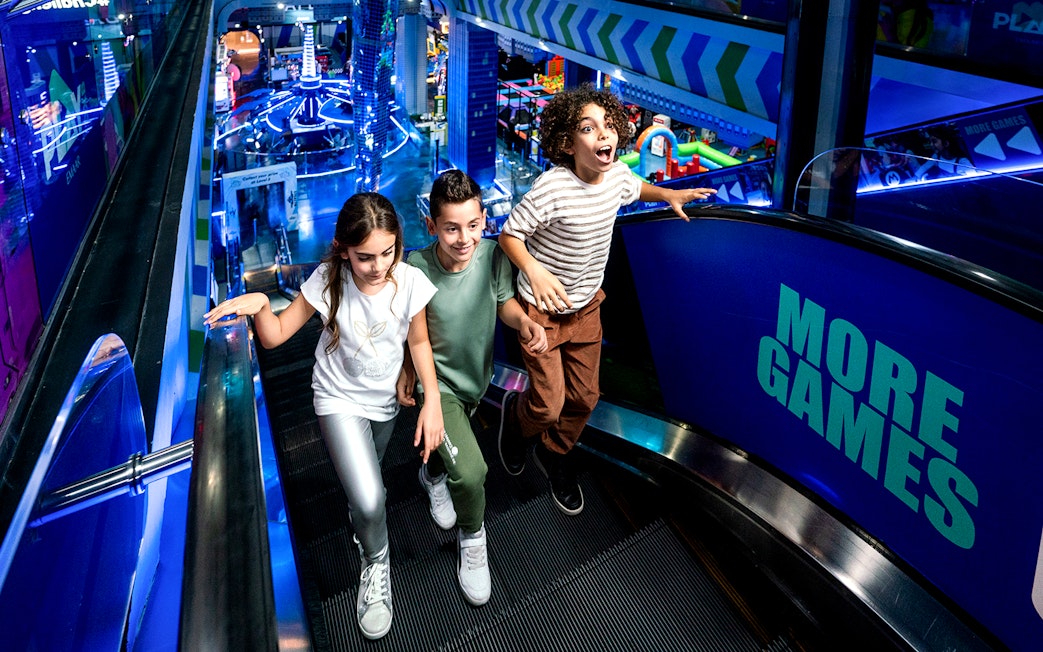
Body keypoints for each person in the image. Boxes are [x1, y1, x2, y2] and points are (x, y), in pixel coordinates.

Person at [204, 192, 444, 641]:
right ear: (342, 249)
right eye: (364, 256)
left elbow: (419, 343)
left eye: (387, 252)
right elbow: (275, 337)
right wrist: (259, 305)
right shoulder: (327, 281)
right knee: (372, 499)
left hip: (384, 404)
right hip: (336, 399)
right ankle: (376, 561)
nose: (378, 266)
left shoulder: (409, 280)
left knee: (365, 485)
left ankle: (364, 521)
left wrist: (431, 396)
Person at [496, 84, 715, 515]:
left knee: (584, 398)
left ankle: (556, 453)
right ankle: (517, 424)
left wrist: (668, 194)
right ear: (565, 142)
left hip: (587, 308)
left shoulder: (615, 176)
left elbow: (633, 186)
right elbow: (509, 234)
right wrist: (535, 271)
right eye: (588, 128)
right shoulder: (551, 188)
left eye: (610, 125)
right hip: (541, 315)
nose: (604, 135)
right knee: (548, 403)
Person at [401, 169, 547, 606]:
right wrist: (414, 374)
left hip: (476, 381)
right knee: (473, 472)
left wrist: (524, 323)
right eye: (450, 228)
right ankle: (473, 538)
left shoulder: (493, 256)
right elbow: (416, 335)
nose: (463, 238)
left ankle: (430, 474)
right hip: (438, 386)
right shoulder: (416, 268)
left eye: (473, 225)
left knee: (449, 454)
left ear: (484, 219)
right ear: (431, 227)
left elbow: (505, 303)